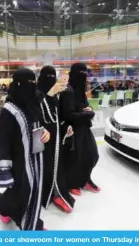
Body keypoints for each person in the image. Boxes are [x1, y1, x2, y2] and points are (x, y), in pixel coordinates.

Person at [0, 68, 50, 230]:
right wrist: (5, 171)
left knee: (30, 190)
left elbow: (40, 124)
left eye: (34, 83)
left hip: (37, 157)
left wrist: (46, 131)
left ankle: (4, 207)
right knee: (25, 190)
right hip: (19, 160)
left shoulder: (35, 103)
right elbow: (2, 142)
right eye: (28, 84)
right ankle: (31, 227)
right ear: (17, 85)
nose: (31, 87)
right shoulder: (9, 110)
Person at [37, 66, 75, 213]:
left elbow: (58, 117)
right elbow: (39, 115)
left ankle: (57, 193)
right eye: (48, 76)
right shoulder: (36, 93)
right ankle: (45, 194)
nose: (51, 79)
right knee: (46, 165)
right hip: (43, 137)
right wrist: (49, 95)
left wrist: (66, 127)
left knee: (57, 165)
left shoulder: (58, 94)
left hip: (57, 136)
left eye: (54, 76)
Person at [59, 63, 100, 195]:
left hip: (84, 127)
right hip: (73, 130)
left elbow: (86, 107)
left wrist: (90, 110)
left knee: (93, 155)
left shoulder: (80, 90)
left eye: (85, 74)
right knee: (75, 158)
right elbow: (67, 115)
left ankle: (85, 179)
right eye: (80, 74)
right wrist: (86, 114)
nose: (83, 77)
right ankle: (73, 183)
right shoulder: (68, 91)